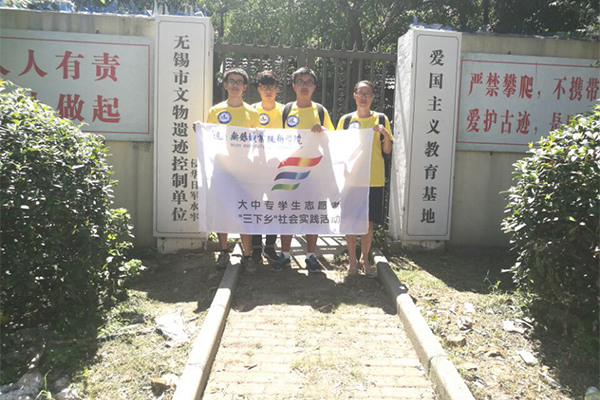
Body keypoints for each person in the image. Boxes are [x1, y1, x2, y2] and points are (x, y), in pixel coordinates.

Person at [274, 67, 335, 273]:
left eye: (309, 82)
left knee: (312, 211)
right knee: (287, 211)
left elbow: (333, 139)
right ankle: (285, 254)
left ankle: (310, 256)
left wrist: (323, 131)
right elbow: (273, 138)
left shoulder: (321, 111)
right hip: (289, 171)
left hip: (314, 171)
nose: (304, 86)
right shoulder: (285, 110)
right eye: (300, 82)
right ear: (293, 86)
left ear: (314, 87)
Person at [205, 68, 260, 274]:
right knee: (222, 210)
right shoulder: (215, 112)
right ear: (225, 85)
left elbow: (258, 143)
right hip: (221, 168)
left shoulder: (253, 113)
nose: (235, 85)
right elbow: (208, 138)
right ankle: (223, 251)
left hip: (244, 170)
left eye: (239, 82)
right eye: (231, 81)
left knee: (245, 211)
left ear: (245, 87)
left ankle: (247, 255)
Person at [336, 80, 393, 277]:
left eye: (368, 94)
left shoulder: (381, 119)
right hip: (351, 180)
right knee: (351, 220)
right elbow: (338, 148)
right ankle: (352, 260)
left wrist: (385, 134)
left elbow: (387, 151)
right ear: (354, 95)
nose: (364, 97)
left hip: (373, 179)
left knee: (369, 222)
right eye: (360, 93)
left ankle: (365, 259)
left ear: (373, 97)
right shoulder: (345, 121)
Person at [251, 70, 282, 267]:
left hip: (277, 167)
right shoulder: (250, 110)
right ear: (258, 89)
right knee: (255, 205)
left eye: (271, 86)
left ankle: (270, 246)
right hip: (254, 167)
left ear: (277, 89)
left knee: (274, 206)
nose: (268, 90)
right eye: (264, 87)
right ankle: (255, 247)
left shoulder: (285, 110)